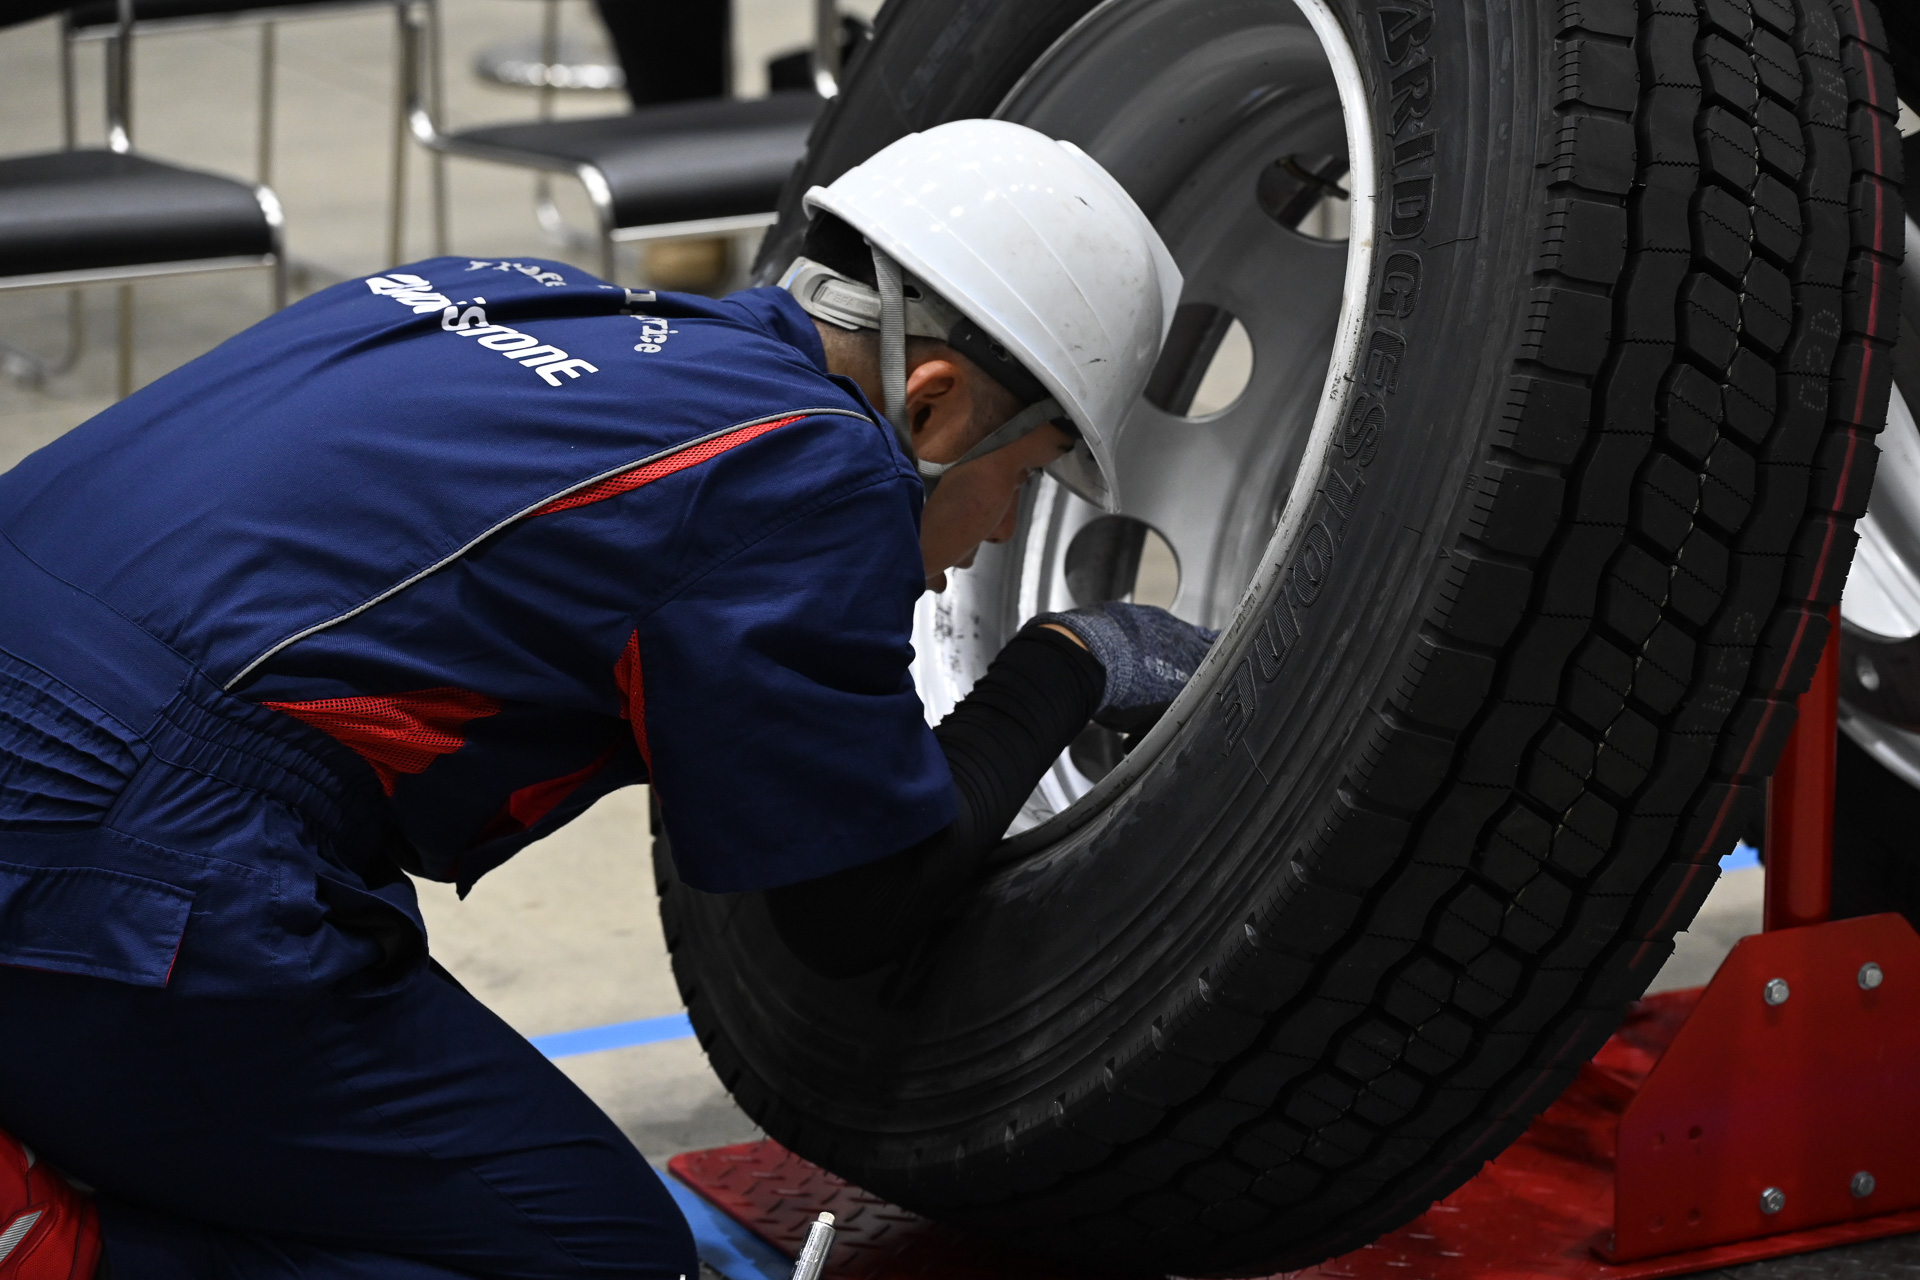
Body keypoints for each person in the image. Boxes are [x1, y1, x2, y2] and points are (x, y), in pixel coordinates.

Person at [0, 120, 1209, 1279]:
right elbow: (857, 903)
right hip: (106, 856)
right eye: (1025, 476)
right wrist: (1071, 656)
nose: (1001, 528)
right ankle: (52, 1248)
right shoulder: (806, 464)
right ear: (933, 403)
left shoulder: (513, 295)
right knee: (601, 1257)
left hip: (73, 773)